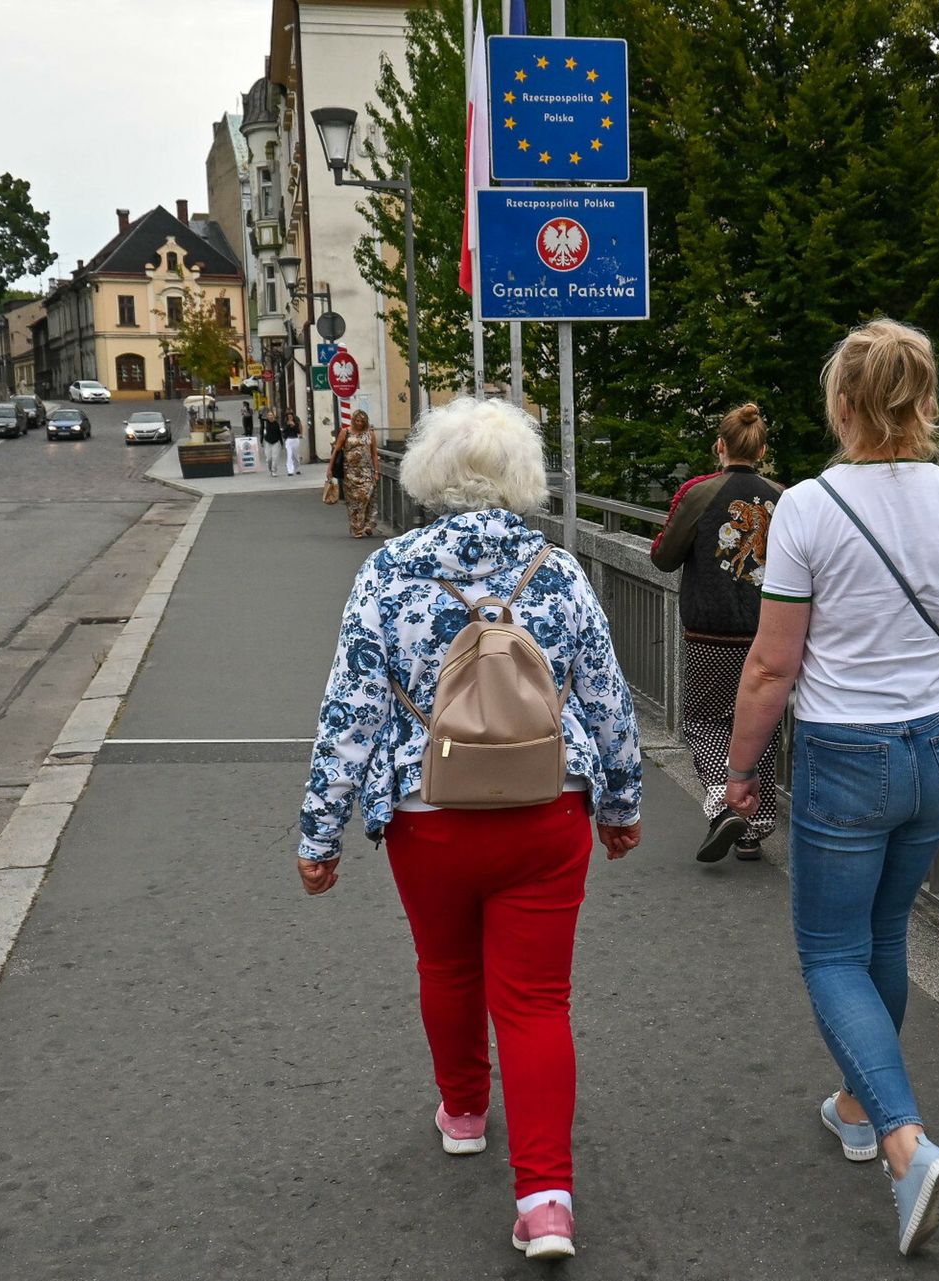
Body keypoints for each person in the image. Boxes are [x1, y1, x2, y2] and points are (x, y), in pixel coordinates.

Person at [296, 396, 642, 1261]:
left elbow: (351, 713)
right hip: (547, 812)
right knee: (536, 1001)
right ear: (521, 475)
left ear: (430, 474)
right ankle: (546, 1200)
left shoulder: (388, 572)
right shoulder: (560, 574)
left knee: (446, 965)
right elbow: (607, 700)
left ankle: (461, 1109)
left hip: (428, 817)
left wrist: (319, 833)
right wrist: (623, 803)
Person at [722, 319, 939, 1257]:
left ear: (843, 406)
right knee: (881, 937)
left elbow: (773, 667)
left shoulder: (808, 508)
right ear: (925, 403)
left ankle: (904, 1142)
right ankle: (857, 1106)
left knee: (826, 953)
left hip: (846, 756)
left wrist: (739, 770)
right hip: (937, 753)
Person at [649, 402, 784, 862]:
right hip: (768, 635)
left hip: (709, 632)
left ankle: (722, 806)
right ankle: (754, 828)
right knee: (760, 725)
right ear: (762, 449)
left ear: (720, 445)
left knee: (705, 722)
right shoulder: (783, 496)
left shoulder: (698, 493)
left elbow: (664, 556)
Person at [333, 409, 379, 538]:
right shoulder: (345, 432)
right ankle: (357, 529)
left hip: (366, 470)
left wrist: (376, 471)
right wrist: (329, 469)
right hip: (350, 473)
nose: (359, 423)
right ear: (353, 420)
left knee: (367, 496)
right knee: (354, 501)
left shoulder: (370, 433)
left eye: (362, 421)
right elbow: (336, 451)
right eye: (357, 420)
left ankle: (368, 524)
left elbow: (374, 454)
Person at [261, 409, 284, 476]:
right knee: (268, 458)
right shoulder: (265, 423)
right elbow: (262, 432)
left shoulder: (276, 424)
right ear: (267, 416)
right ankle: (270, 468)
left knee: (275, 457)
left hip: (275, 442)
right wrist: (261, 441)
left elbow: (279, 434)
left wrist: (281, 443)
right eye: (269, 415)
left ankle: (274, 471)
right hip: (267, 442)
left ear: (273, 416)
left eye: (271, 415)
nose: (270, 416)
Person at [282, 409, 303, 476]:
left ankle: (297, 468)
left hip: (295, 439)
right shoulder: (285, 423)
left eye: (291, 416)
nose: (290, 417)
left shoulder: (296, 422)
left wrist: (293, 425)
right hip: (289, 440)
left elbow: (298, 431)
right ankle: (290, 470)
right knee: (289, 455)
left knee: (295, 455)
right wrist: (288, 425)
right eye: (288, 416)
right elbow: (284, 431)